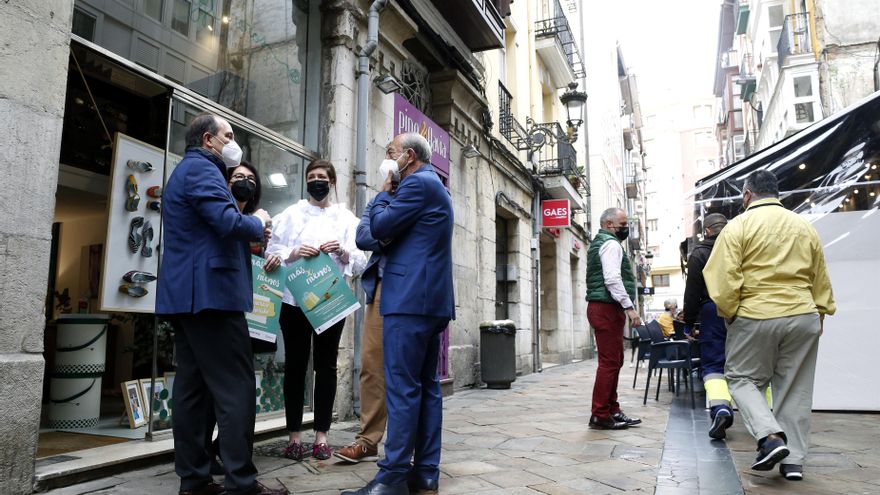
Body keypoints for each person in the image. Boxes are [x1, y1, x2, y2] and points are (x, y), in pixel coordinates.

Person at [156, 113, 287, 495]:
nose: (234, 143)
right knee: (236, 389)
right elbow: (229, 222)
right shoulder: (202, 169)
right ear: (209, 140)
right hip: (210, 296)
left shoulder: (189, 170)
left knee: (193, 391)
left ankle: (194, 481)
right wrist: (258, 221)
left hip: (193, 297)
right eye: (228, 136)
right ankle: (241, 482)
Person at [703, 169, 836, 481]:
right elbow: (820, 274)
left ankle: (770, 437)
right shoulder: (804, 226)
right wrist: (820, 312)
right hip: (802, 313)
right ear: (777, 194)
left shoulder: (738, 227)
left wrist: (729, 312)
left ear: (747, 195)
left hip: (755, 312)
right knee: (795, 388)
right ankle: (794, 463)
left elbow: (723, 278)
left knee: (741, 378)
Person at [342, 133, 455, 495]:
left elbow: (377, 229)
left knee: (403, 389)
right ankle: (425, 472)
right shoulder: (432, 186)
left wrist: (382, 194)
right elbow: (371, 236)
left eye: (390, 153)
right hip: (427, 301)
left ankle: (391, 477)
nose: (387, 158)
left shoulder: (416, 184)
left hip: (408, 300)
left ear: (408, 156)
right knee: (426, 387)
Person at [266, 159, 366, 462]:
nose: (316, 181)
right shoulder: (290, 214)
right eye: (311, 176)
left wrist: (342, 251)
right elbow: (272, 251)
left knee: (326, 366)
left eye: (322, 176)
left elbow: (360, 261)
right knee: (295, 366)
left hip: (330, 300)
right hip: (293, 300)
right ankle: (294, 437)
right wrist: (293, 252)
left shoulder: (346, 219)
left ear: (332, 182)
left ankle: (322, 436)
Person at [208, 160, 284, 475]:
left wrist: (273, 258)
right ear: (226, 183)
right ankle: (216, 455)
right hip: (220, 308)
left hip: (251, 314)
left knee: (241, 386)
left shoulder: (260, 226)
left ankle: (228, 451)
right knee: (218, 386)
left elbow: (269, 262)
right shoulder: (222, 215)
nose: (244, 182)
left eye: (250, 179)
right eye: (238, 176)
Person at [335, 196, 387, 464]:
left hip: (412, 286)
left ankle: (411, 447)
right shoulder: (380, 199)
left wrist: (385, 234)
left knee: (409, 370)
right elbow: (363, 236)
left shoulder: (420, 190)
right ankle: (368, 441)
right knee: (371, 366)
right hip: (381, 285)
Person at [586, 207, 642, 430]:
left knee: (615, 361)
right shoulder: (611, 244)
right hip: (606, 308)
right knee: (609, 363)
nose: (626, 228)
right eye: (623, 224)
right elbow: (612, 279)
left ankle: (612, 410)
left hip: (604, 307)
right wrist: (630, 308)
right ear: (609, 225)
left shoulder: (602, 242)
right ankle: (600, 414)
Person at [681, 213, 733, 440]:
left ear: (707, 231)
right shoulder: (739, 246)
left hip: (712, 310)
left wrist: (689, 323)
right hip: (742, 309)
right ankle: (763, 415)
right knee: (748, 363)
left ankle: (720, 408)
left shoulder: (699, 253)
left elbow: (692, 292)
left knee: (713, 364)